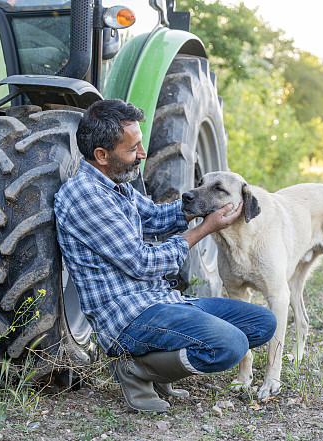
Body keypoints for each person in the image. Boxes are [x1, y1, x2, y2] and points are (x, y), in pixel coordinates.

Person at [53, 99, 277, 413]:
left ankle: (157, 363)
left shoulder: (118, 186)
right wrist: (204, 229)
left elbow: (156, 218)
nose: (141, 155)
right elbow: (142, 263)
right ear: (102, 156)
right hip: (129, 318)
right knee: (233, 345)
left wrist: (203, 206)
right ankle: (136, 369)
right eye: (133, 149)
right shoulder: (85, 196)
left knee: (263, 322)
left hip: (161, 302)